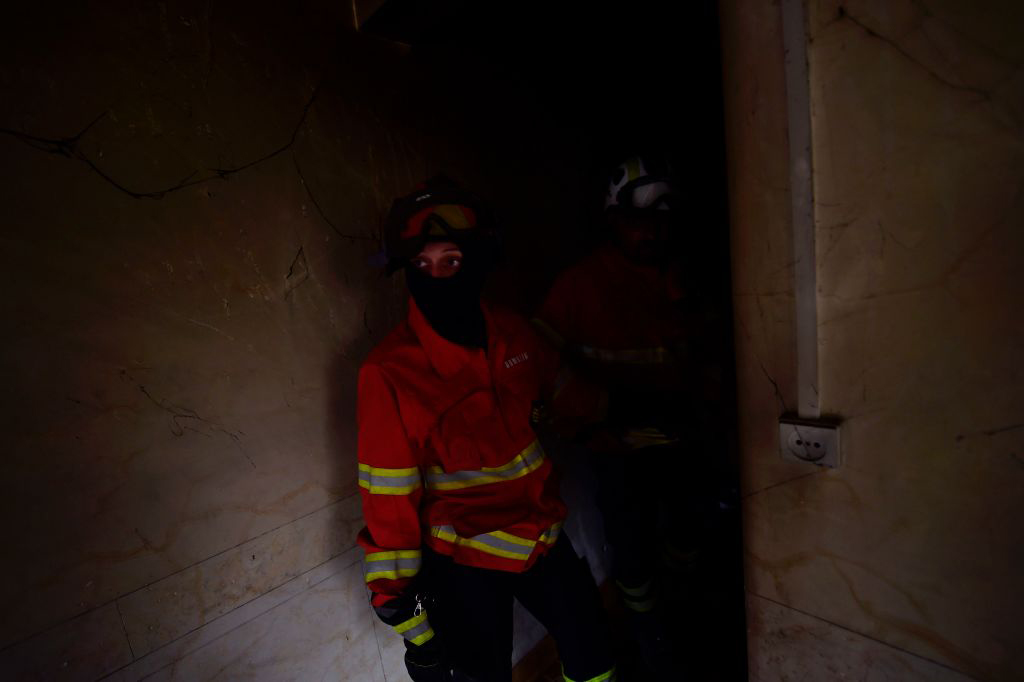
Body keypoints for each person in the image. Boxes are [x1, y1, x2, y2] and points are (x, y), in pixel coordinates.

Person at [355, 176, 616, 682]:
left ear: (476, 262)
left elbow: (567, 392)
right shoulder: (389, 372)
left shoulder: (513, 333)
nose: (436, 277)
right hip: (463, 561)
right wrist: (399, 603)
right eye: (420, 265)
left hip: (541, 534)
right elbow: (388, 496)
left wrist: (624, 414)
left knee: (594, 653)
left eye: (451, 261)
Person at [533, 155, 729, 673]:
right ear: (614, 221)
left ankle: (681, 608)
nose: (649, 236)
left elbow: (717, 356)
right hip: (615, 446)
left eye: (660, 224)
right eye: (637, 223)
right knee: (631, 549)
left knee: (691, 528)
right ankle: (651, 637)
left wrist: (706, 408)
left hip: (683, 441)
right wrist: (602, 408)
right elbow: (538, 364)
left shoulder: (687, 282)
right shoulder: (579, 287)